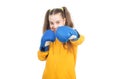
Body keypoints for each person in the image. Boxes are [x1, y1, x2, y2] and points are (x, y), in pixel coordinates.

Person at [37, 6, 85, 79]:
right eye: (51, 23)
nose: (54, 26)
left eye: (58, 22)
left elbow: (81, 40)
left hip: (67, 76)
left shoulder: (70, 37)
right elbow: (41, 58)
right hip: (49, 76)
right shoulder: (49, 37)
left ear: (64, 20)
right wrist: (44, 46)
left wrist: (74, 34)